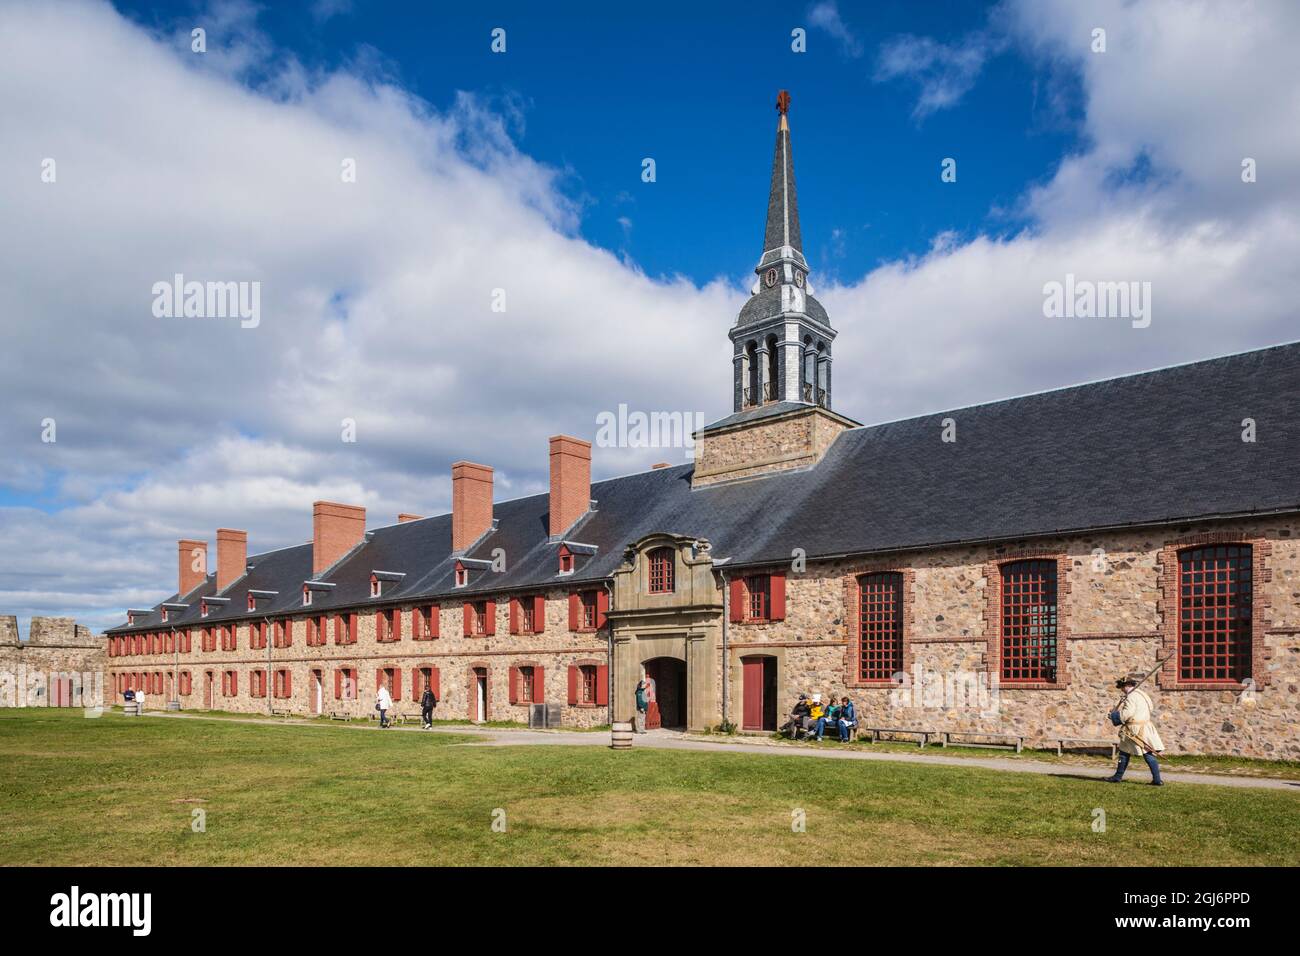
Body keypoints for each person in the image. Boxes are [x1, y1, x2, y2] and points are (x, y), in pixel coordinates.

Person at [1106, 674, 1164, 786]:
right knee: (1145, 753)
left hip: (1134, 729)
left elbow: (1127, 714)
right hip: (1145, 726)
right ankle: (1157, 780)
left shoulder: (1131, 696)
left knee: (1125, 753)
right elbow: (1150, 708)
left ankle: (1117, 777)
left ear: (1126, 686)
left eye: (1122, 687)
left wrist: (1113, 716)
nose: (1122, 690)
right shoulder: (1143, 694)